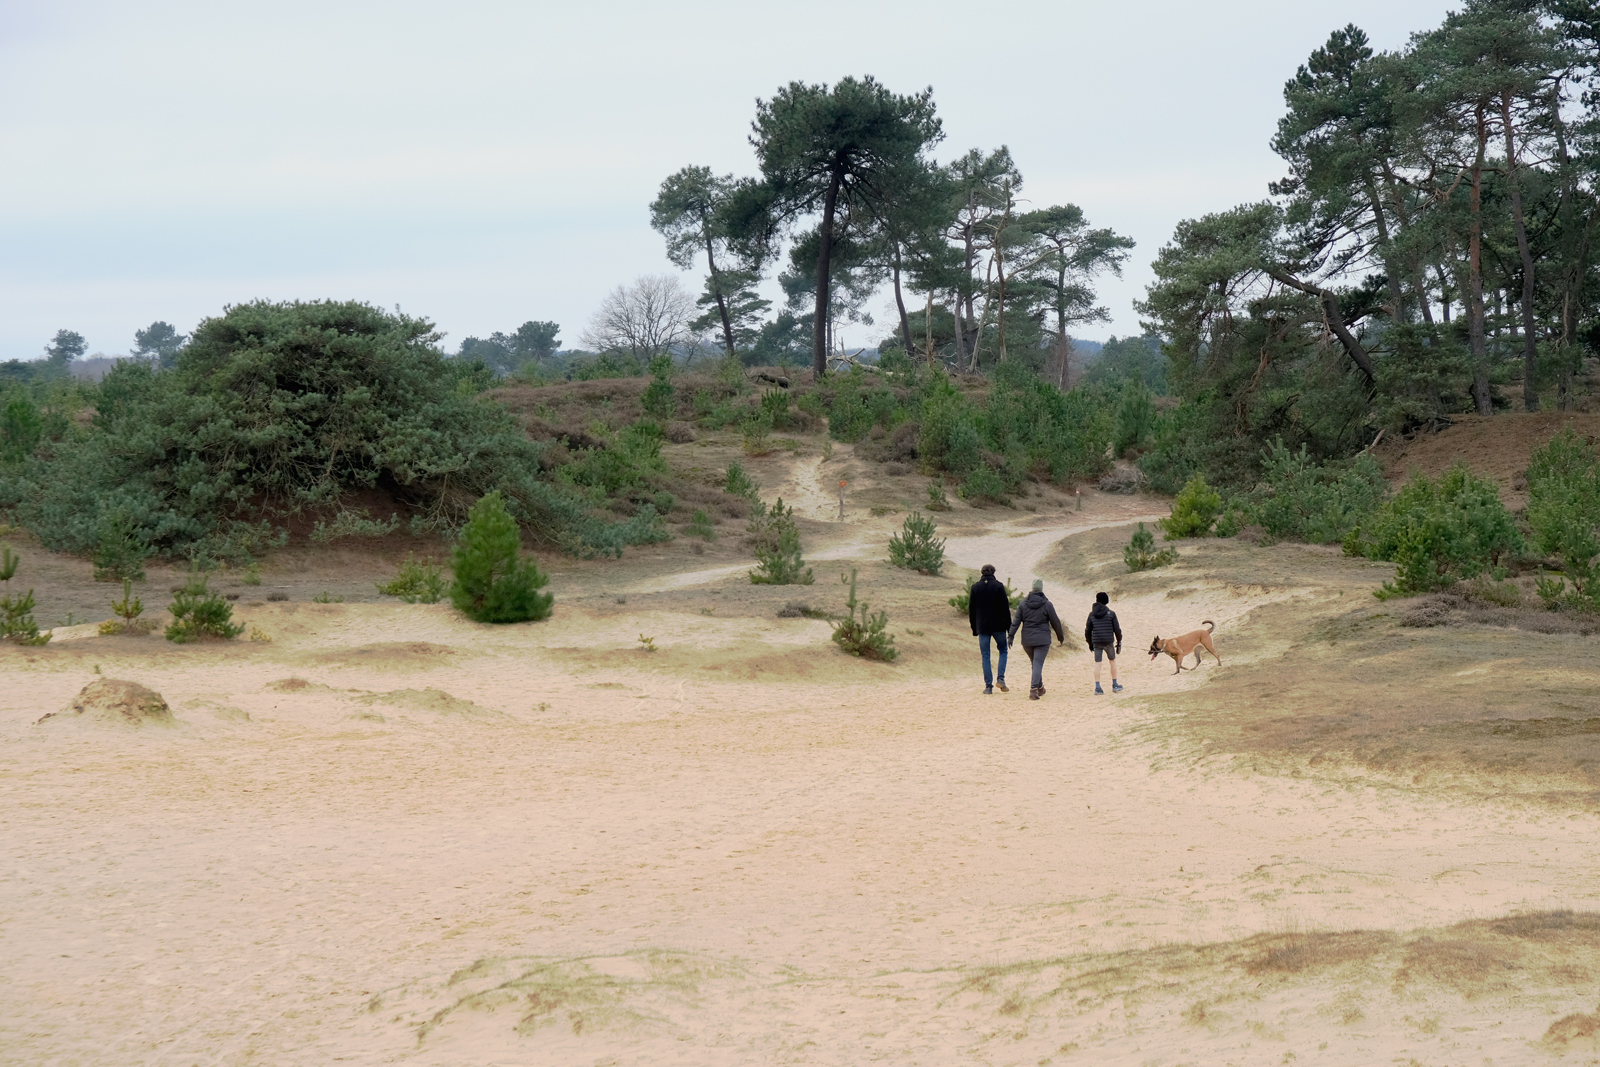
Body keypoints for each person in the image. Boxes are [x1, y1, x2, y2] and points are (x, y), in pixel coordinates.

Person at [1009, 578, 1065, 700]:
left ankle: (1040, 688)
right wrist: (1060, 636)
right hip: (1042, 639)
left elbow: (1016, 621)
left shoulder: (1023, 604)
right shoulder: (1047, 604)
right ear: (1041, 589)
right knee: (1037, 663)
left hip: (1027, 640)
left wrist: (1011, 636)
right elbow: (1055, 622)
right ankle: (1033, 689)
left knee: (1035, 663)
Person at [967, 564, 1011, 695]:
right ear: (993, 573)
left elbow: (971, 610)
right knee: (1003, 650)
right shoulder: (999, 586)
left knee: (985, 655)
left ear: (982, 573)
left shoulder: (975, 587)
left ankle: (988, 686)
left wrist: (974, 628)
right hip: (999, 626)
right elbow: (1005, 608)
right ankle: (1001, 679)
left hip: (982, 626)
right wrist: (1009, 628)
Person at [1085, 591, 1123, 694]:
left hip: (1096, 642)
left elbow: (1088, 631)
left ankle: (1098, 687)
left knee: (1098, 663)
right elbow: (1117, 630)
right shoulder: (1111, 614)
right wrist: (1119, 641)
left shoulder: (1091, 614)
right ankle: (1115, 684)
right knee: (1112, 661)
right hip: (1108, 641)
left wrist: (1090, 643)